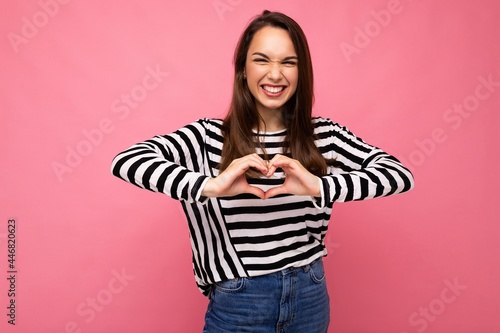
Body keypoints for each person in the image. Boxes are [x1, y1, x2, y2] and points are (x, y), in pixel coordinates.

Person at [111, 10, 414, 333]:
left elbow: (398, 174)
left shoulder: (324, 135)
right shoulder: (208, 136)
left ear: (301, 71)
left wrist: (318, 186)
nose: (275, 74)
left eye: (288, 62)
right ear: (243, 69)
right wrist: (213, 185)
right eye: (261, 60)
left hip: (309, 294)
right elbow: (128, 161)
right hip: (239, 300)